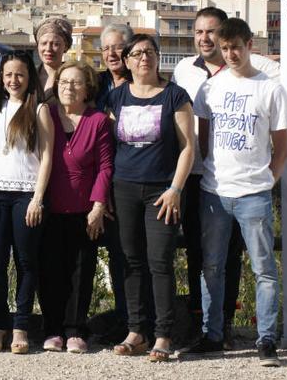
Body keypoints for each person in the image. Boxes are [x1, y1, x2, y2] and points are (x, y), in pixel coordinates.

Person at [172, 7, 280, 349]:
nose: (229, 51)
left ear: (246, 45)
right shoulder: (198, 80)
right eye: (201, 33)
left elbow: (283, 147)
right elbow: (202, 140)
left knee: (257, 268)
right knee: (208, 264)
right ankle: (210, 332)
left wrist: (267, 182)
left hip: (253, 192)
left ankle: (259, 336)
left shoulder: (270, 84)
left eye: (235, 45)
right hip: (209, 188)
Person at [106, 34, 194, 362]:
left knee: (159, 262)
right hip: (124, 188)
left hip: (162, 191)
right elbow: (108, 149)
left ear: (158, 58)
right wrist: (106, 192)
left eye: (150, 52)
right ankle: (136, 331)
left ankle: (163, 334)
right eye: (137, 53)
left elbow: (188, 147)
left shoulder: (175, 96)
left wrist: (175, 189)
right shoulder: (116, 98)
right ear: (126, 61)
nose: (144, 58)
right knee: (129, 261)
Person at [0, 51, 53, 354]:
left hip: (26, 195)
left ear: (29, 77)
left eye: (19, 74)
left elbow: (48, 156)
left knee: (25, 262)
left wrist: (38, 197)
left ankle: (21, 326)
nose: (13, 80)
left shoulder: (38, 109)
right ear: (1, 77)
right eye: (8, 74)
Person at [39, 61, 114, 354]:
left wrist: (98, 206)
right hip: (50, 207)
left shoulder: (97, 120)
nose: (69, 87)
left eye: (76, 82)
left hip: (85, 211)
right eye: (64, 82)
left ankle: (75, 330)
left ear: (88, 89)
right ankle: (52, 329)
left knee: (81, 272)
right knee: (50, 271)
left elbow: (106, 167)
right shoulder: (47, 116)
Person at [93, 22, 133, 342]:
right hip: (97, 183)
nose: (111, 54)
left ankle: (135, 322)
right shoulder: (95, 85)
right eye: (105, 48)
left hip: (133, 181)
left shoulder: (143, 84)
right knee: (109, 256)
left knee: (130, 256)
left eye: (117, 47)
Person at [34, 18, 72, 102]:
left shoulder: (73, 77)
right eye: (44, 43)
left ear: (65, 47)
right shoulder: (29, 76)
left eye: (55, 44)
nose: (48, 49)